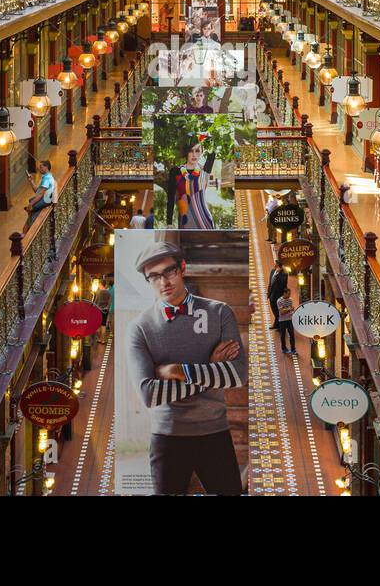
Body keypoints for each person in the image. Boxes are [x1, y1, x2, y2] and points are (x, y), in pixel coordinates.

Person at [126, 240, 246, 495]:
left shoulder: (219, 313)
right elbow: (149, 394)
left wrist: (178, 370)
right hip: (166, 438)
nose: (163, 282)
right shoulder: (140, 328)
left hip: (215, 433)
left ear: (182, 268)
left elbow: (237, 375)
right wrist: (210, 368)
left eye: (168, 271)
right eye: (154, 276)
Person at [176, 140, 216, 229]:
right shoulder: (178, 172)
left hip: (204, 220)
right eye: (191, 151)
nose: (194, 154)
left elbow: (213, 152)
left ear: (201, 152)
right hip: (186, 222)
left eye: (197, 151)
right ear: (186, 152)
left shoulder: (204, 171)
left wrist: (206, 136)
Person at [23, 159, 55, 231]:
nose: (39, 168)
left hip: (44, 201)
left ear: (46, 167)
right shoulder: (46, 177)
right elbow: (37, 191)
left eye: (41, 167)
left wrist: (31, 204)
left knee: (30, 226)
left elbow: (40, 194)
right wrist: (31, 181)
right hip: (43, 199)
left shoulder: (47, 179)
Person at [266, 263, 289, 331]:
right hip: (271, 295)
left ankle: (280, 326)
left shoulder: (284, 274)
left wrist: (277, 274)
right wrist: (268, 292)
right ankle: (277, 324)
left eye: (277, 265)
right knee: (274, 310)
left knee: (279, 311)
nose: (275, 265)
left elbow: (282, 284)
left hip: (279, 296)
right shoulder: (272, 271)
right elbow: (270, 283)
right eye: (275, 264)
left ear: (280, 267)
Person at [276, 288, 296, 356]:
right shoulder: (279, 301)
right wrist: (290, 309)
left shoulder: (290, 300)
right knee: (283, 335)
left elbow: (291, 310)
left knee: (292, 335)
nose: (290, 295)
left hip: (290, 319)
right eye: (288, 294)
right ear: (284, 293)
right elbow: (282, 312)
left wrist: (287, 310)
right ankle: (284, 348)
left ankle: (293, 349)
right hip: (282, 320)